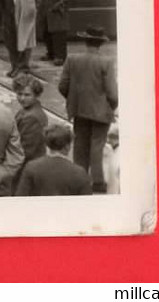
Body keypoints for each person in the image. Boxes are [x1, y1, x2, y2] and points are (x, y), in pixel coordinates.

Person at [58, 25, 119, 192]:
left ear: (85, 41)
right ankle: (98, 182)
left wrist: (75, 100)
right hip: (101, 111)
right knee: (97, 146)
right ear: (100, 44)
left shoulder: (72, 59)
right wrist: (110, 106)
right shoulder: (106, 62)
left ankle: (80, 180)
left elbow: (63, 86)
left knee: (80, 145)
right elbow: (112, 93)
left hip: (79, 110)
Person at [15, 124, 94, 196]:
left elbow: (20, 199)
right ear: (67, 147)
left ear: (47, 144)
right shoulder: (79, 172)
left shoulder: (31, 168)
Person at [13, 73, 48, 163]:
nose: (22, 98)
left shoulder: (32, 118)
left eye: (27, 95)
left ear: (36, 95)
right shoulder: (27, 110)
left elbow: (26, 150)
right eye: (19, 94)